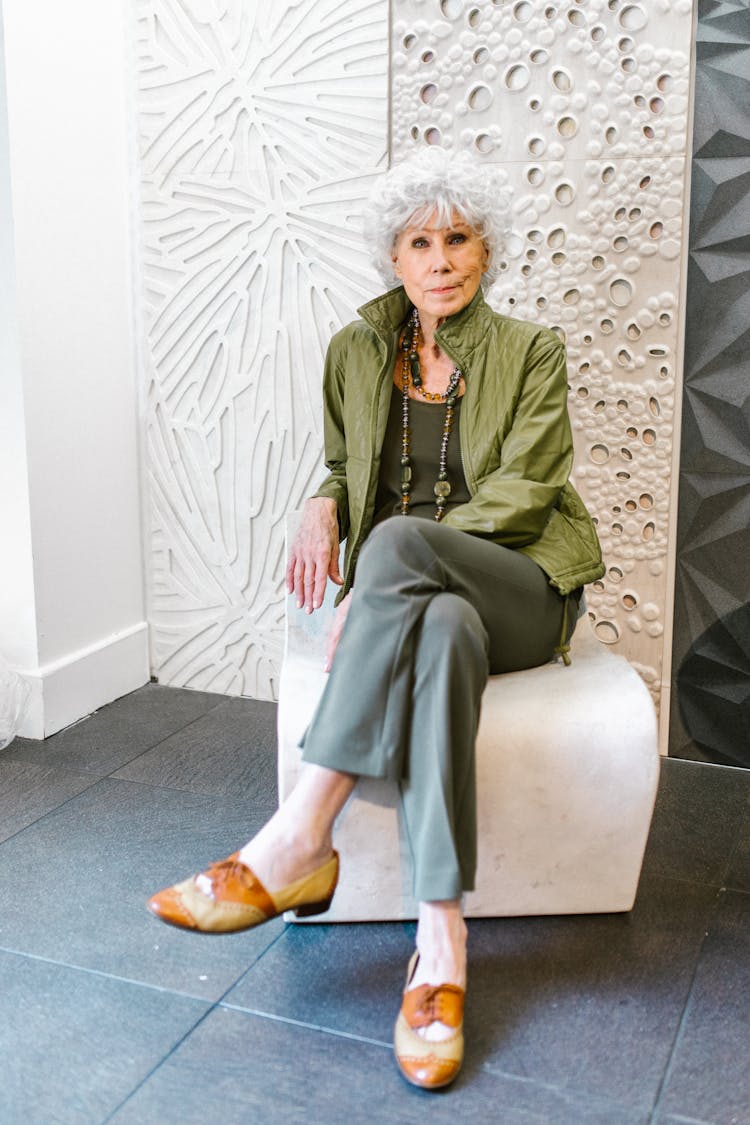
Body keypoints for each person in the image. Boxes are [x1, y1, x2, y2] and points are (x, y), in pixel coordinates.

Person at [147, 147, 604, 1090]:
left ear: (486, 251)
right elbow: (344, 465)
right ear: (392, 257)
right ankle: (441, 948)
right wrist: (323, 500)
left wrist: (395, 556)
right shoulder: (356, 352)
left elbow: (526, 496)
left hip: (520, 584)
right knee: (437, 630)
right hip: (433, 615)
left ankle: (298, 836)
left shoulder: (531, 352)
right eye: (419, 241)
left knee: (399, 547)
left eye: (459, 238)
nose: (440, 259)